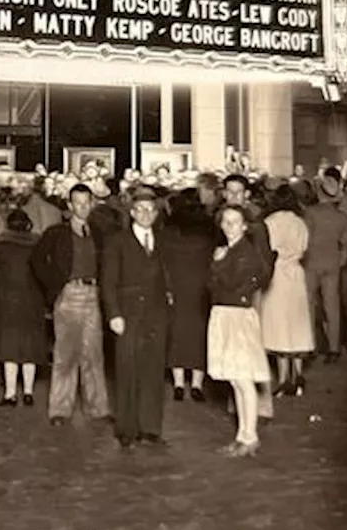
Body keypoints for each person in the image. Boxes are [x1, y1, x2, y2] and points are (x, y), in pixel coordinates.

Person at [32, 183, 110, 426]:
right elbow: (36, 260)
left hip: (93, 293)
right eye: (78, 203)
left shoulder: (98, 232)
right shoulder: (56, 233)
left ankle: (98, 408)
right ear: (69, 206)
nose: (83, 207)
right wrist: (56, 285)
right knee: (66, 354)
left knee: (94, 353)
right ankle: (60, 409)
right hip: (69, 294)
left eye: (87, 203)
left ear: (92, 204)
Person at [101, 187, 173, 451]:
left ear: (156, 214)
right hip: (128, 315)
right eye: (140, 210)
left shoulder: (162, 241)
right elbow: (108, 282)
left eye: (150, 210)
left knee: (153, 371)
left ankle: (150, 428)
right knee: (127, 370)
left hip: (156, 316)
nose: (145, 214)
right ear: (131, 213)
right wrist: (114, 314)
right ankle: (127, 429)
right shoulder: (117, 242)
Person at [208, 205, 273, 457]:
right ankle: (242, 435)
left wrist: (218, 264)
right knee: (234, 378)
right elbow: (211, 286)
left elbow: (231, 283)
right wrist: (218, 266)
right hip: (224, 314)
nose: (229, 226)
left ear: (245, 225)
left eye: (234, 222)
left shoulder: (245, 252)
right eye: (225, 221)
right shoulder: (229, 251)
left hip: (238, 316)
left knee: (243, 379)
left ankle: (250, 435)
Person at [0, 208, 44, 406]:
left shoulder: (3, 247)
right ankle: (29, 392)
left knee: (9, 350)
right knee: (30, 349)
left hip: (8, 303)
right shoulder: (37, 245)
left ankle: (10, 394)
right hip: (33, 302)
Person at [162, 189, 216, 403]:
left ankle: (177, 383)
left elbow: (163, 260)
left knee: (176, 332)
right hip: (201, 286)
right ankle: (196, 383)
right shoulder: (208, 230)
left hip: (177, 285)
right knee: (199, 333)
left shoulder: (169, 232)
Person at [260, 185, 313, 396]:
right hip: (296, 273)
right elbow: (304, 248)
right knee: (297, 322)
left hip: (277, 274)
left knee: (278, 325)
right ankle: (298, 375)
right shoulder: (300, 223)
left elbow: (266, 249)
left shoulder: (270, 222)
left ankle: (283, 378)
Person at [303, 175, 347, 363]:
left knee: (310, 305)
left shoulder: (310, 213)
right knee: (332, 305)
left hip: (311, 263)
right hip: (332, 264)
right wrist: (340, 260)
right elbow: (346, 246)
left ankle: (311, 346)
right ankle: (334, 348)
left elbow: (304, 239)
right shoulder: (342, 218)